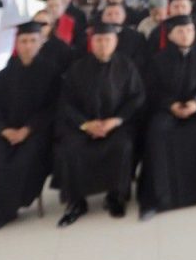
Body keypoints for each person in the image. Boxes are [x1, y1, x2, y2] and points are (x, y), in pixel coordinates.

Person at [0, 21, 59, 232]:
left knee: (21, 164)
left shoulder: (51, 73)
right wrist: (3, 129)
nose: (28, 46)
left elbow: (53, 108)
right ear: (17, 44)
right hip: (5, 132)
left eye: (33, 41)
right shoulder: (4, 75)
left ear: (41, 42)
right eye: (24, 41)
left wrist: (28, 129)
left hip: (37, 134)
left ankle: (7, 212)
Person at [54, 22, 145, 227]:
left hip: (117, 124)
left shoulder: (127, 66)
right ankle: (76, 202)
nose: (103, 44)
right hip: (83, 125)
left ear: (116, 42)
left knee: (122, 145)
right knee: (70, 148)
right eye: (99, 40)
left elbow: (137, 97)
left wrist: (116, 120)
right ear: (91, 42)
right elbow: (66, 103)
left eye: (108, 40)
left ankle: (116, 196)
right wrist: (85, 125)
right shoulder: (77, 68)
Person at [138, 14, 196, 219]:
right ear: (170, 35)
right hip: (167, 109)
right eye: (180, 31)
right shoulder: (158, 60)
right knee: (157, 132)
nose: (186, 35)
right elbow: (153, 90)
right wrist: (171, 105)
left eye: (190, 30)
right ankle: (158, 198)